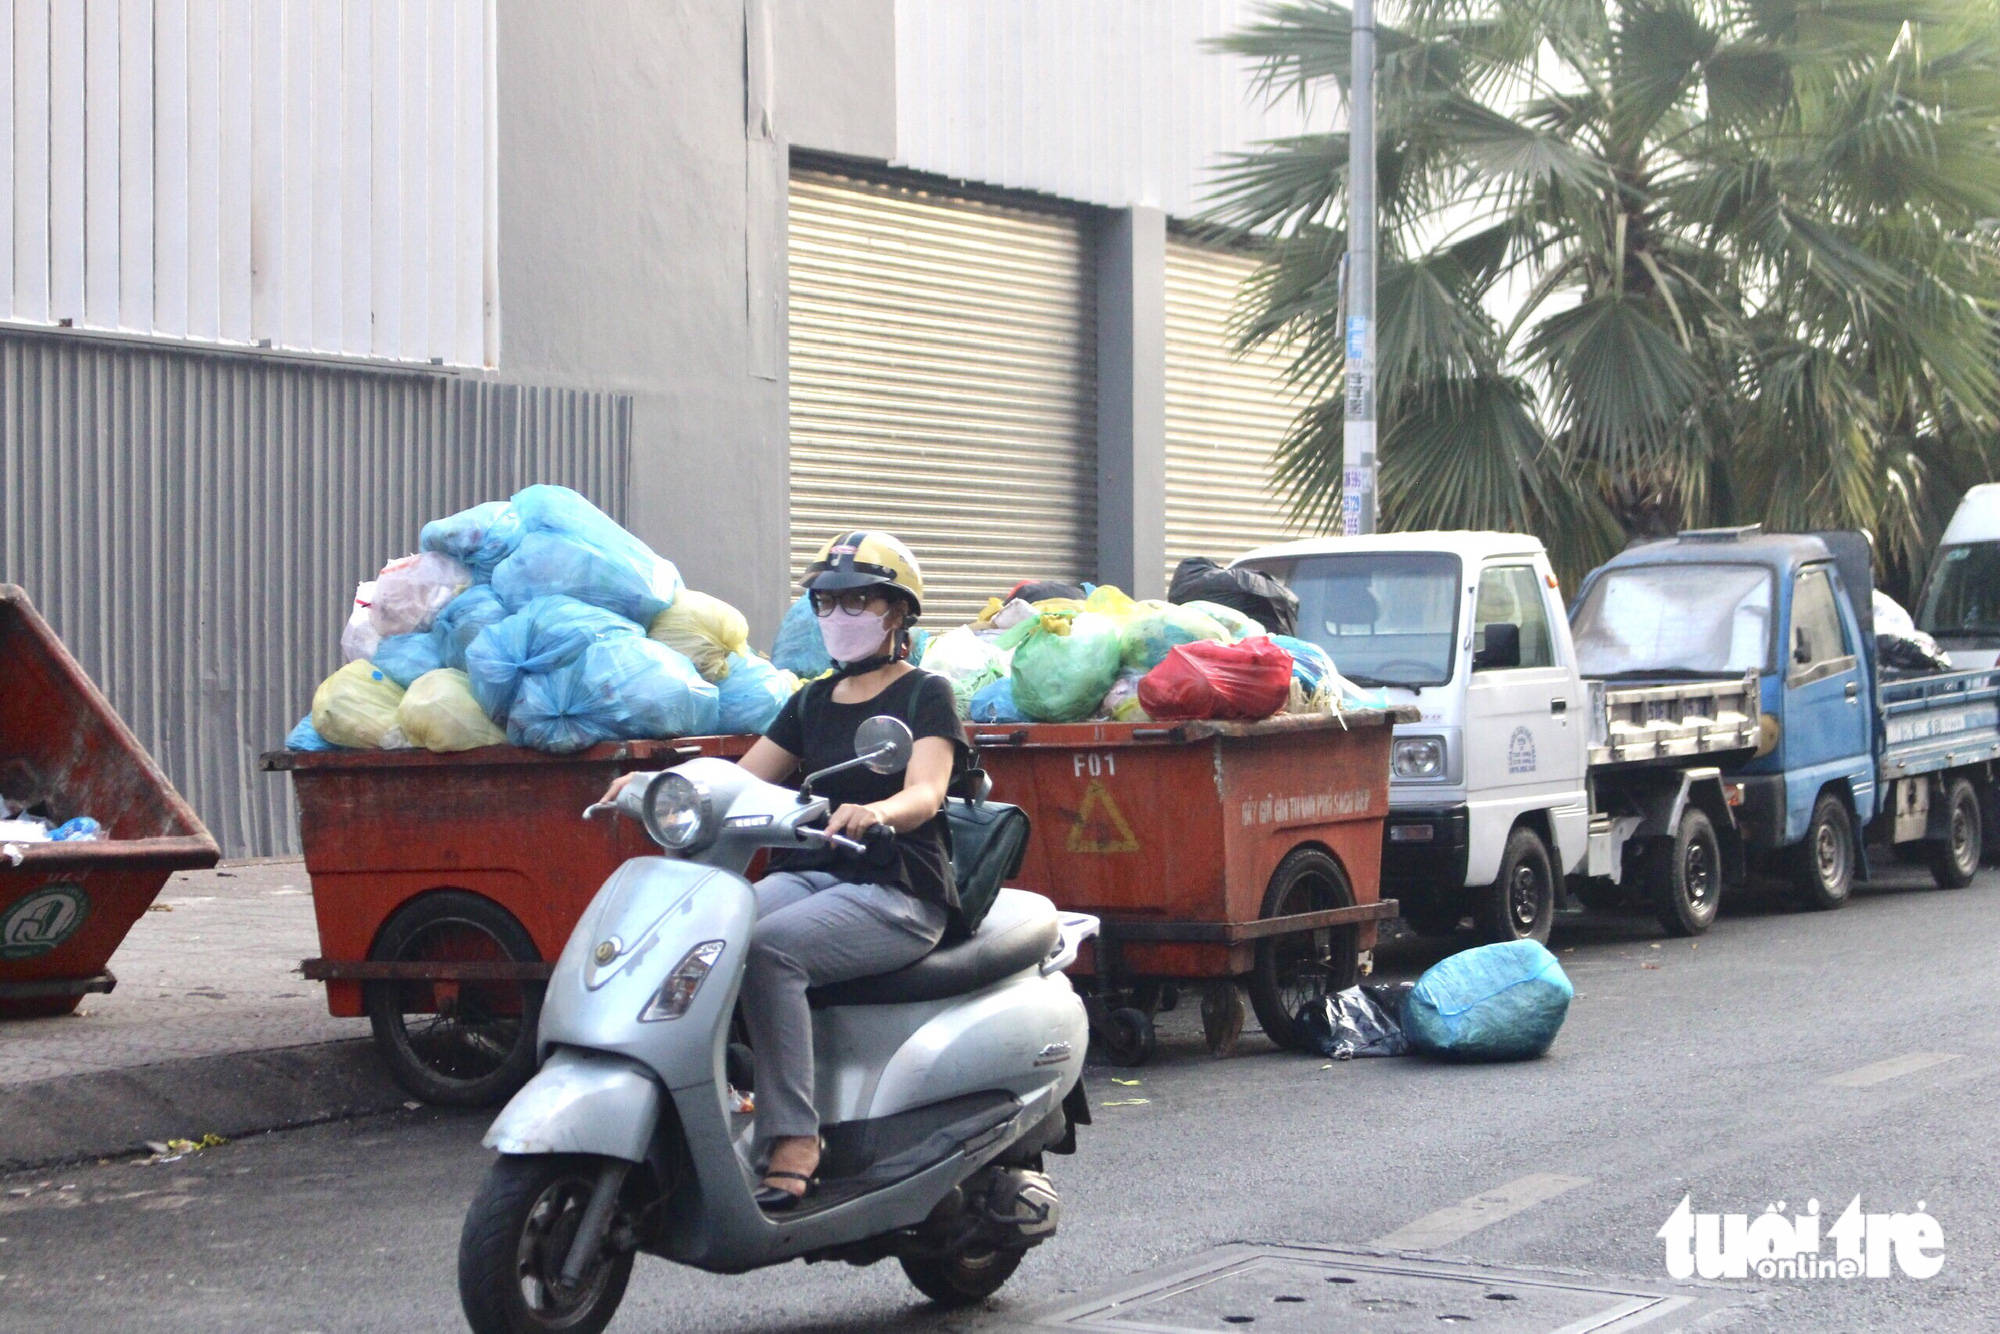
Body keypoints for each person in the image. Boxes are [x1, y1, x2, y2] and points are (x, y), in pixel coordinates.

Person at [600, 531, 965, 1210]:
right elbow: (735, 783)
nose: (839, 616)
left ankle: (796, 1137)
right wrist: (653, 788)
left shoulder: (925, 695)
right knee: (705, 932)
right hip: (814, 874)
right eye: (827, 602)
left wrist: (878, 811)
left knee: (767, 953)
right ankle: (719, 1091)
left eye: (858, 600)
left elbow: (928, 790)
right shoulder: (812, 702)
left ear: (896, 613)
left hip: (895, 887)